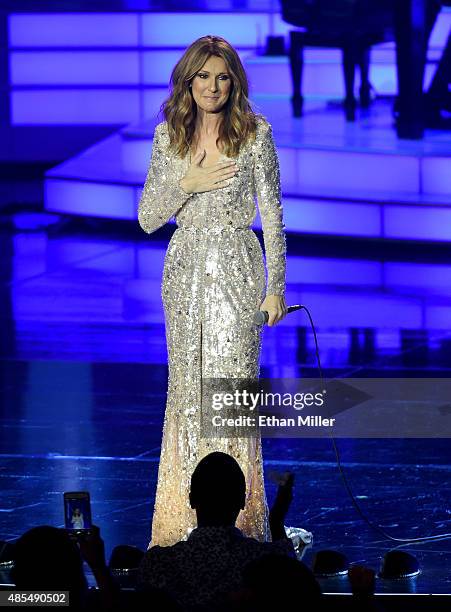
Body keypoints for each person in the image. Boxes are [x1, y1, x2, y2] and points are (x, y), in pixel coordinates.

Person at [138, 34, 288, 548]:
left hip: (236, 270)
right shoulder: (169, 137)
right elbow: (147, 218)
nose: (213, 86)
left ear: (234, 83)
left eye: (222, 76)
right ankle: (181, 526)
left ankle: (241, 528)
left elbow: (272, 216)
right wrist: (188, 182)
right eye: (203, 76)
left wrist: (276, 289)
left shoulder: (254, 133)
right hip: (184, 274)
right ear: (188, 81)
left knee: (229, 395)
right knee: (186, 394)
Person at [137, 452, 298, 611]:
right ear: (243, 501)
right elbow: (290, 576)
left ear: (192, 500)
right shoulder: (263, 563)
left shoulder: (158, 563)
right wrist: (276, 522)